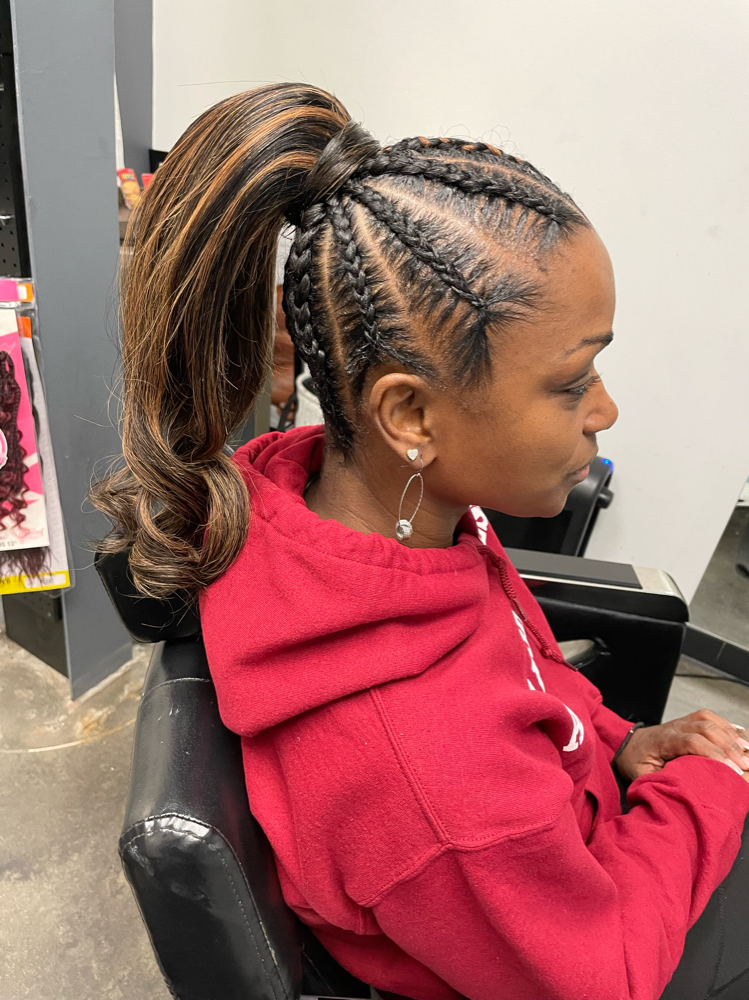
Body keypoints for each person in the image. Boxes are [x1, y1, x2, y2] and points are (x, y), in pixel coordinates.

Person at [93, 83, 749, 1000]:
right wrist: (706, 792)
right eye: (572, 383)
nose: (606, 410)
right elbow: (605, 980)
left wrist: (619, 743)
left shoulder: (367, 515)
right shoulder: (433, 786)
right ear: (408, 414)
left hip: (573, 844)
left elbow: (528, 676)